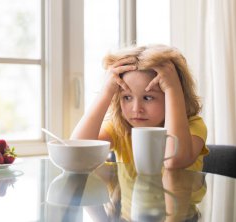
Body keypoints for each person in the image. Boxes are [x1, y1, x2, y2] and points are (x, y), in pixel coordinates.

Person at [71, 44, 208, 171]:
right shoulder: (119, 128)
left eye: (148, 98)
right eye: (127, 97)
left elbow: (173, 161)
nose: (136, 109)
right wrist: (106, 92)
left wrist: (173, 88)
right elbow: (77, 153)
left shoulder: (194, 126)